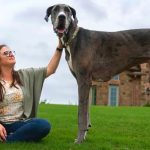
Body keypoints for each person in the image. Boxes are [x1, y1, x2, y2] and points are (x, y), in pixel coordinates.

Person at [0, 38, 63, 142]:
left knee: (43, 125)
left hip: (18, 124)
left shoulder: (24, 75)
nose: (11, 54)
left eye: (11, 52)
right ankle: (15, 137)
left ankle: (9, 140)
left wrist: (59, 47)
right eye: (6, 53)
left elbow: (50, 69)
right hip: (1, 124)